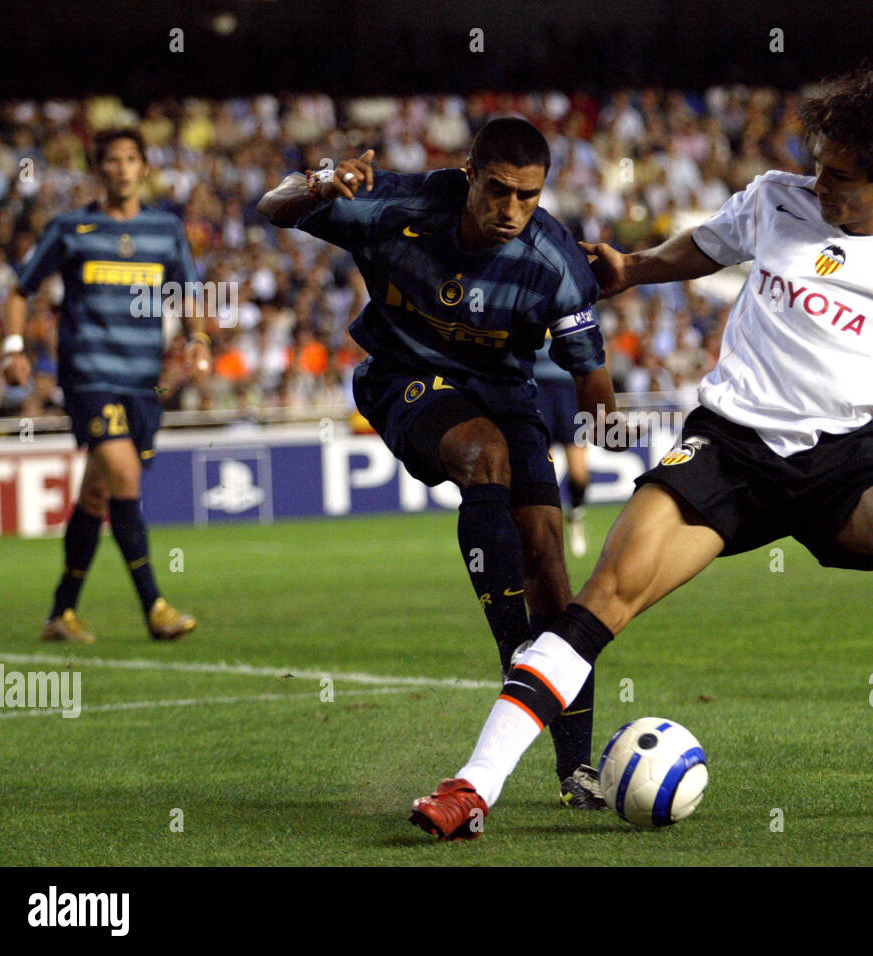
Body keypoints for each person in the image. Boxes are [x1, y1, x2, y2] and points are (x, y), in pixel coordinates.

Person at [408, 69, 873, 841]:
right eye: (817, 164)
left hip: (843, 460)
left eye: (838, 176)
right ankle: (472, 788)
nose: (819, 183)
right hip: (727, 448)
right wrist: (633, 269)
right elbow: (706, 247)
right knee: (601, 598)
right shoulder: (777, 199)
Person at [258, 118, 632, 809]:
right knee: (482, 455)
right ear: (470, 174)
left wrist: (615, 427)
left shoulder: (555, 260)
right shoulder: (395, 205)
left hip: (506, 394)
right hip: (404, 376)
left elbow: (593, 384)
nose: (511, 210)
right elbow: (272, 207)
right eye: (497, 191)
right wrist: (317, 182)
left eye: (527, 196)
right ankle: (516, 652)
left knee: (547, 552)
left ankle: (576, 769)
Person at [3, 129, 205, 643]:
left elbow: (190, 292)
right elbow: (21, 290)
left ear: (144, 168)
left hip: (143, 383)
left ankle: (61, 613)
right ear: (100, 169)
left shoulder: (165, 229)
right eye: (111, 160)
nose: (121, 169)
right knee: (124, 475)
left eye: (131, 159)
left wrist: (199, 339)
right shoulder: (73, 227)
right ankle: (155, 606)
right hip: (89, 377)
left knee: (96, 494)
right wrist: (12, 348)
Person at [533, 334, 591, 556]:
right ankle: (549, 531)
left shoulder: (574, 301)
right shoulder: (530, 301)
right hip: (537, 388)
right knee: (545, 471)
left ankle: (575, 515)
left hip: (570, 390)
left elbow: (588, 343)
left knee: (579, 474)